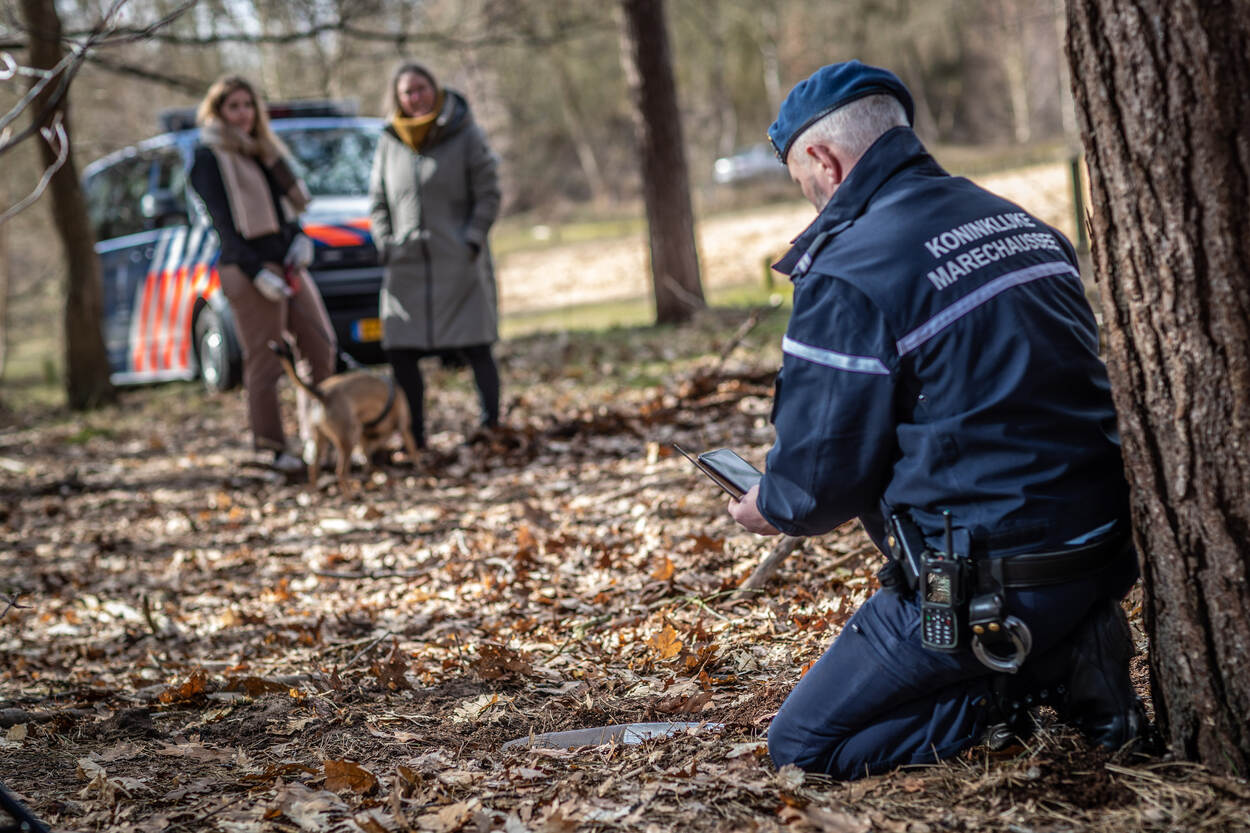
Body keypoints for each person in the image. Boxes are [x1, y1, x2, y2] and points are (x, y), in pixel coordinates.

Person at [727, 61, 1145, 780]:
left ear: (824, 160)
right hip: (1102, 553)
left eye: (802, 182)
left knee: (803, 748)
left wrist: (768, 503)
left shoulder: (848, 273)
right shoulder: (1020, 225)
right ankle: (1069, 644)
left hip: (988, 589)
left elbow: (815, 487)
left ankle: (1030, 678)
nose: (810, 201)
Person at [189, 75, 336, 474]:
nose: (243, 114)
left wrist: (300, 239)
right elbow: (223, 227)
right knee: (266, 360)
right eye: (233, 106)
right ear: (219, 112)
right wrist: (257, 273)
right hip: (247, 268)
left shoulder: (266, 151)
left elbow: (286, 208)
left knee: (320, 346)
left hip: (287, 262)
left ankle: (319, 438)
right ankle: (272, 448)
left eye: (248, 105)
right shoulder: (208, 158)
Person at [368, 62, 503, 450]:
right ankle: (415, 435)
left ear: (435, 89)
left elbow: (489, 192)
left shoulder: (465, 134)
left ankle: (491, 428)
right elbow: (378, 201)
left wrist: (471, 240)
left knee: (477, 345)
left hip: (458, 263)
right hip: (406, 265)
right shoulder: (389, 141)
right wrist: (386, 242)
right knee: (400, 350)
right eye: (407, 92)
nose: (416, 97)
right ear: (397, 98)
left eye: (422, 88)